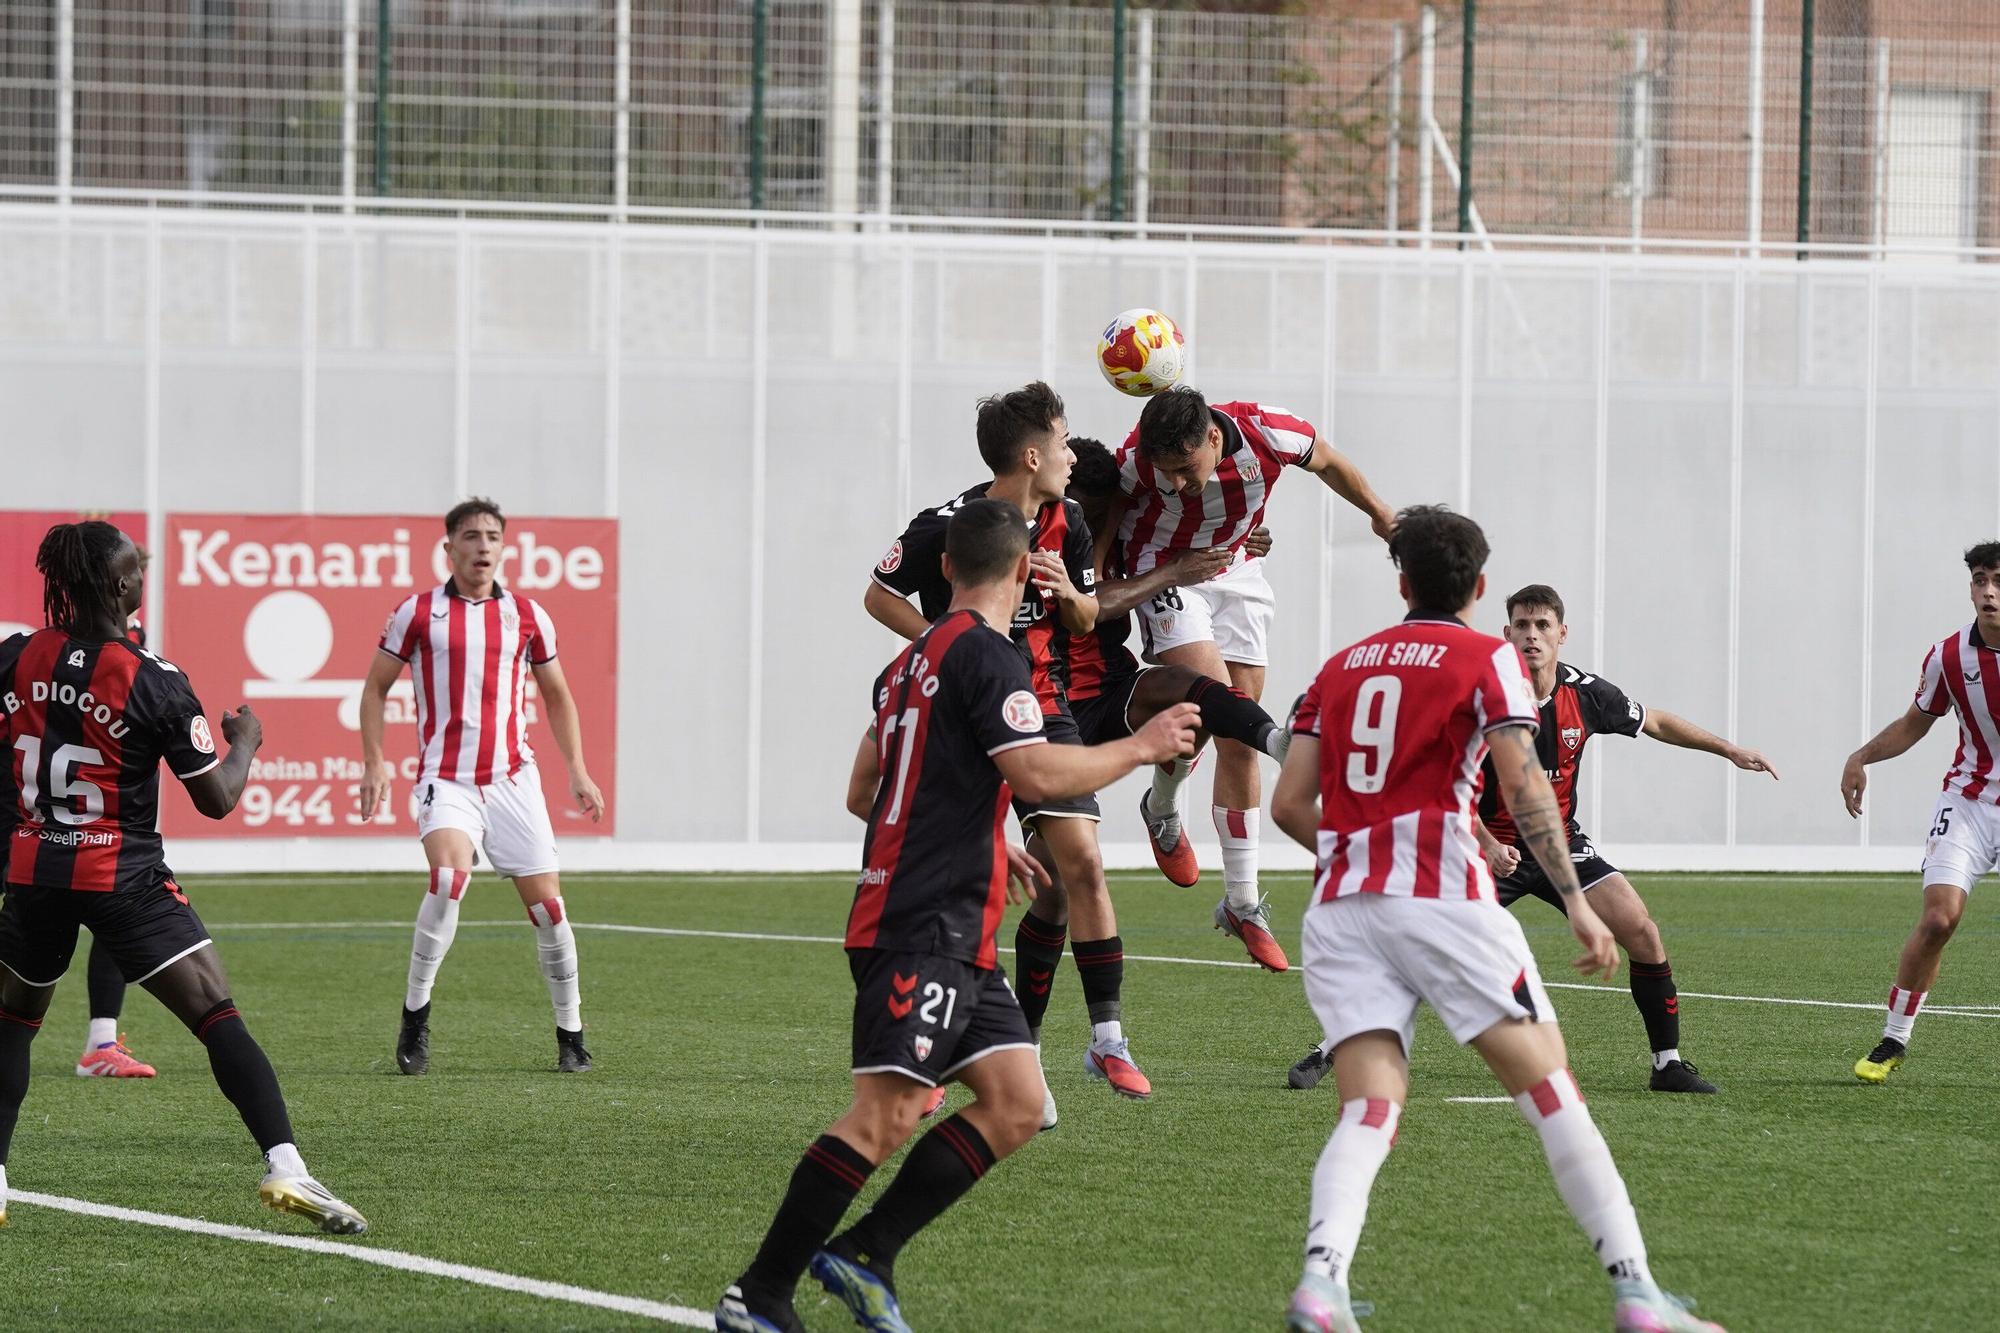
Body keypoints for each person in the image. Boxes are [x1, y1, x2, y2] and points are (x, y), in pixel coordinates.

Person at [718, 499, 1198, 1333]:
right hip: (922, 921)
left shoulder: (910, 662)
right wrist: (1144, 745)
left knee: (1015, 1101)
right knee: (887, 1114)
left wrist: (980, 838)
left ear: (944, 569)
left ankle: (867, 1251)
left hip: (950, 921)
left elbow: (869, 792)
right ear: (1022, 571)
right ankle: (758, 1292)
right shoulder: (990, 656)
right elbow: (1041, 776)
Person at [1270, 505, 1723, 1333]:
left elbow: (1290, 804)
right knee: (1553, 1091)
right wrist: (1578, 900)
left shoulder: (1336, 667)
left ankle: (1320, 1285)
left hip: (1339, 911)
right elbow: (1522, 785)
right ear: (1480, 588)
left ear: (1399, 580)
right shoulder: (1488, 658)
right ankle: (1637, 1296)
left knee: (1370, 1107)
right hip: (1442, 900)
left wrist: (1361, 847)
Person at [0, 521, 365, 1232]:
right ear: (116, 585)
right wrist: (247, 741)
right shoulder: (155, 679)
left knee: (12, 1024)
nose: (143, 577)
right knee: (215, 1010)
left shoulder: (14, 657)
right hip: (123, 875)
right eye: (134, 568)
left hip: (36, 869)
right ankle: (286, 1166)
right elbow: (217, 797)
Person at [1288, 583, 1776, 1095]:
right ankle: (1332, 1047)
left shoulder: (1586, 694)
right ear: (1506, 633)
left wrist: (1729, 750)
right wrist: (1487, 844)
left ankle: (1668, 1064)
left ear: (1562, 634)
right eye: (1522, 625)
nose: (1532, 636)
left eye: (1543, 626)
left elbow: (1654, 720)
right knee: (1422, 949)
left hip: (1559, 844)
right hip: (1483, 846)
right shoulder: (1482, 691)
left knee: (1643, 933)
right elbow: (1441, 783)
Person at [866, 384, 1152, 1111]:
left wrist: (1068, 594)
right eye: (1061, 441)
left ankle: (1107, 1038)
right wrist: (943, 644)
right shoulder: (953, 525)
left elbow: (1088, 622)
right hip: (964, 703)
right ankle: (948, 1051)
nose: (1070, 453)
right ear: (1032, 454)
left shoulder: (1071, 520)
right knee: (958, 869)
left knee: (1073, 868)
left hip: (1044, 706)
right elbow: (879, 594)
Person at [1112, 386, 1394, 971]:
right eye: (1168, 475)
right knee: (1221, 706)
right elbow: (1104, 523)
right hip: (1167, 578)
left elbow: (1333, 464)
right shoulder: (1133, 461)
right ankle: (1168, 810)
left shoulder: (1271, 431)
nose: (1180, 485)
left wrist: (1381, 515)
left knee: (1227, 733)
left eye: (1187, 470)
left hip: (1239, 573)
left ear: (1213, 437)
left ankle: (1240, 901)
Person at [358, 497, 605, 1075]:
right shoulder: (417, 613)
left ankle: (571, 1035)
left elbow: (558, 695)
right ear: (449, 548)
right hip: (447, 779)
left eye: (493, 536)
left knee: (548, 910)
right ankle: (416, 1017)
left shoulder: (527, 615)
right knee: (448, 879)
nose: (483, 546)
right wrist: (375, 762)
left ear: (503, 546)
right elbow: (375, 689)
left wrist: (577, 769)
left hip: (514, 780)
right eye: (471, 536)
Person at [1842, 541, 2000, 1083]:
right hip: (1970, 803)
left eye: (1997, 580)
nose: (1988, 592)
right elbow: (1915, 723)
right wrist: (1861, 756)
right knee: (1938, 919)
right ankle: (1893, 1039)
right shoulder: (1949, 657)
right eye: (1980, 580)